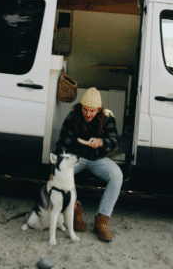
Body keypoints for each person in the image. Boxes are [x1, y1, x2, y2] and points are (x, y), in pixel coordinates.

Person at [54, 87, 122, 242]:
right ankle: (75, 209)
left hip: (98, 159)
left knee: (117, 175)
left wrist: (102, 142)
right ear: (82, 107)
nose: (88, 113)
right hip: (76, 157)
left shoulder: (107, 117)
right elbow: (61, 143)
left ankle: (101, 220)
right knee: (64, 172)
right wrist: (59, 163)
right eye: (86, 109)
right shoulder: (73, 116)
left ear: (98, 109)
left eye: (92, 110)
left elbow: (115, 141)